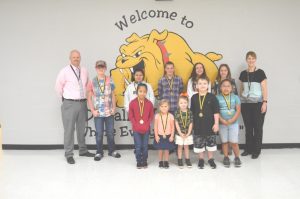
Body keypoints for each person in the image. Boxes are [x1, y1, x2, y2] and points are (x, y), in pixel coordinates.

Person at [55, 50, 94, 164]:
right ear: (70, 58)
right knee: (69, 130)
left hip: (82, 103)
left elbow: (87, 85)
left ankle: (83, 150)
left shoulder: (84, 70)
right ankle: (69, 154)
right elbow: (58, 86)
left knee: (82, 128)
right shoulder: (64, 71)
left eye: (78, 57)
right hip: (69, 103)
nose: (76, 59)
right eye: (74, 57)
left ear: (80, 58)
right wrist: (64, 99)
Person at [87, 60, 121, 161]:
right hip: (98, 113)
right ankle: (99, 152)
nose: (101, 69)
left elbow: (113, 95)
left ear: (105, 68)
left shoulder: (110, 80)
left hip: (109, 112)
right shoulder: (92, 81)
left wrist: (114, 108)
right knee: (99, 133)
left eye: (102, 67)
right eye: (99, 67)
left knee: (110, 133)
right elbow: (89, 97)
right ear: (96, 68)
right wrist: (92, 110)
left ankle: (112, 151)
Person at [239, 51, 267, 159]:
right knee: (248, 128)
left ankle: (256, 150)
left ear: (255, 60)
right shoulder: (243, 74)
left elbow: (264, 88)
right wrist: (242, 98)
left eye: (252, 58)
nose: (251, 60)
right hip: (246, 105)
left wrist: (265, 102)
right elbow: (241, 88)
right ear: (246, 60)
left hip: (258, 104)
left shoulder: (260, 73)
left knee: (258, 128)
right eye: (249, 58)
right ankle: (248, 149)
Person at [191, 77, 219, 169]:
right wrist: (192, 125)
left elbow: (216, 112)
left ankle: (211, 159)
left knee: (210, 143)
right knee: (199, 143)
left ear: (208, 85)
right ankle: (201, 159)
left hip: (210, 125)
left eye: (204, 83)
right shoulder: (194, 97)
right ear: (196, 86)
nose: (202, 85)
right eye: (200, 83)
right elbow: (192, 112)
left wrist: (216, 123)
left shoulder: (212, 97)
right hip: (198, 125)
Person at [213, 63, 237, 155]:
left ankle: (230, 148)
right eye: (221, 70)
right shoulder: (215, 82)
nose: (223, 72)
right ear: (219, 72)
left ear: (228, 72)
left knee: (231, 128)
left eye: (225, 70)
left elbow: (235, 95)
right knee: (222, 129)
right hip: (219, 109)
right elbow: (214, 95)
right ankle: (224, 148)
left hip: (231, 109)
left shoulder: (233, 81)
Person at [216, 79, 242, 167]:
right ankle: (226, 157)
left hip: (233, 123)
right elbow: (216, 111)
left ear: (232, 88)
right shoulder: (217, 97)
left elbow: (238, 110)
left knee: (234, 142)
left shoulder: (235, 97)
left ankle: (237, 157)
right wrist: (222, 120)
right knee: (224, 142)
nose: (226, 88)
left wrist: (232, 120)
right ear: (220, 88)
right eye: (224, 86)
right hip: (222, 123)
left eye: (228, 86)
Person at [128, 83, 154, 169]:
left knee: (145, 146)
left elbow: (151, 116)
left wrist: (147, 124)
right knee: (138, 146)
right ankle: (139, 161)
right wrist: (135, 124)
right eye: (140, 91)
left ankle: (145, 160)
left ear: (146, 92)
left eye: (144, 91)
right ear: (137, 92)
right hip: (136, 129)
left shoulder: (149, 103)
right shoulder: (132, 103)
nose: (142, 93)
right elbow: (131, 116)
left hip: (146, 129)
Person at [153, 99, 175, 169]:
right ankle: (160, 161)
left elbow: (173, 127)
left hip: (168, 136)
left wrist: (172, 136)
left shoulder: (171, 116)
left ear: (168, 107)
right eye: (162, 106)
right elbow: (155, 126)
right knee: (160, 149)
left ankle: (166, 161)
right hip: (159, 136)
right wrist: (156, 136)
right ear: (159, 107)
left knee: (166, 150)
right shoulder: (157, 116)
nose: (164, 108)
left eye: (165, 106)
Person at [174, 96, 193, 168]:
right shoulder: (177, 112)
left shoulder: (190, 112)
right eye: (181, 103)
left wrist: (188, 133)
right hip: (179, 134)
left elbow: (191, 123)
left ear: (188, 103)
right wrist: (180, 133)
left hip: (188, 133)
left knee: (186, 146)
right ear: (178, 104)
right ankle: (179, 159)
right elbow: (176, 123)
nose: (183, 104)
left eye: (185, 102)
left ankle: (187, 159)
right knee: (180, 146)